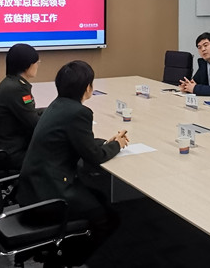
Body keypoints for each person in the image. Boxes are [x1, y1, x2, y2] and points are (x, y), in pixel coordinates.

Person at [17, 60, 129, 266]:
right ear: (87, 88)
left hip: (32, 186)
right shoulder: (79, 112)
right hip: (51, 193)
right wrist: (117, 145)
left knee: (100, 198)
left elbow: (79, 142)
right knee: (108, 218)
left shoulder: (57, 105)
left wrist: (107, 142)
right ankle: (63, 259)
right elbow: (94, 157)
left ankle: (59, 249)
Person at [0, 43, 42, 172]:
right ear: (27, 65)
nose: (38, 65)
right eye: (36, 62)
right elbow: (36, 125)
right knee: (57, 154)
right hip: (12, 153)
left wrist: (49, 112)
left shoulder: (10, 82)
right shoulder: (17, 90)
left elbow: (28, 113)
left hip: (5, 145)